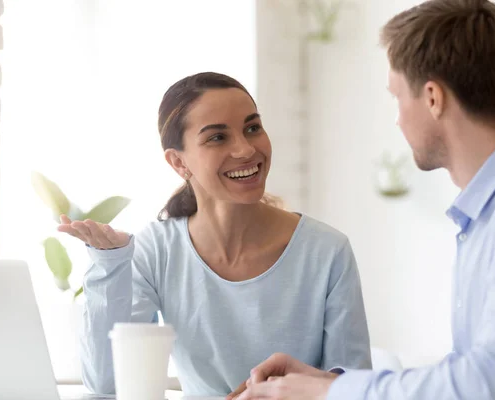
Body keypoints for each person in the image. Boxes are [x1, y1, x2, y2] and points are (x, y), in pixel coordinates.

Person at [232, 0, 495, 399]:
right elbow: (469, 373)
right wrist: (330, 383)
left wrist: (328, 396)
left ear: (433, 97)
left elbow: (490, 385)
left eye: (397, 96)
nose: (397, 118)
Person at [58, 72, 372, 397]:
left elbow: (356, 387)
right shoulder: (157, 250)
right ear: (179, 162)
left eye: (252, 128)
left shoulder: (327, 251)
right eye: (218, 138)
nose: (246, 149)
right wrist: (110, 265)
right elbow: (105, 382)